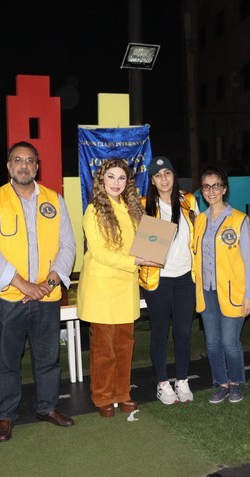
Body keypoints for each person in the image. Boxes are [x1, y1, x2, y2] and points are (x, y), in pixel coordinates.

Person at [0, 141, 76, 442]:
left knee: (48, 358)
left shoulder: (54, 200)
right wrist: (24, 285)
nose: (24, 165)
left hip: (46, 296)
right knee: (8, 361)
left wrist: (49, 283)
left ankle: (47, 407)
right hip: (8, 299)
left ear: (37, 166)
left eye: (30, 160)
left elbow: (68, 245)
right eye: (18, 160)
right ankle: (6, 415)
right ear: (9, 166)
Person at [78, 159, 160, 417]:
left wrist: (155, 248)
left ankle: (122, 393)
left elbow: (149, 242)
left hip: (126, 287)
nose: (116, 182)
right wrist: (136, 260)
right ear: (101, 180)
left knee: (125, 345)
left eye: (121, 177)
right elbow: (99, 252)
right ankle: (102, 396)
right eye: (111, 177)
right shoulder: (93, 210)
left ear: (128, 182)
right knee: (104, 348)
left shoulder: (133, 209)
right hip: (102, 288)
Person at [193, 167, 250, 404]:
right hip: (206, 291)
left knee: (230, 342)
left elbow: (249, 261)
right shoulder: (199, 220)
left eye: (216, 186)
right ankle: (221, 383)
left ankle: (237, 382)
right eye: (206, 187)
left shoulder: (239, 219)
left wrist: (249, 294)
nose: (211, 191)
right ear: (202, 191)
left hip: (232, 291)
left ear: (224, 188)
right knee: (212, 343)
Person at [140, 156, 198, 404]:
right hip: (158, 279)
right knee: (160, 331)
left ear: (174, 175)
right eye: (158, 175)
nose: (163, 179)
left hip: (185, 278)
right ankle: (163, 383)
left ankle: (182, 379)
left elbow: (197, 235)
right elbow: (139, 244)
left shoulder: (189, 200)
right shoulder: (144, 205)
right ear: (152, 181)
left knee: (184, 331)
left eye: (167, 173)